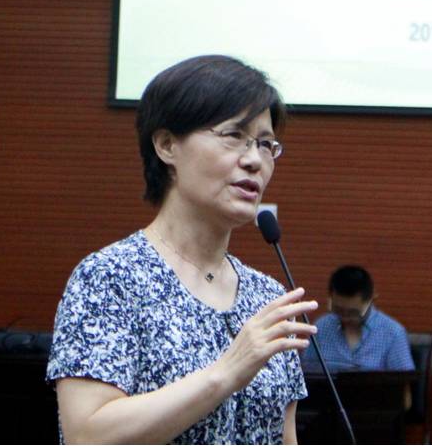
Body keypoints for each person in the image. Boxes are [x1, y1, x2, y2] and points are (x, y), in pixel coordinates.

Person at [46, 55, 317, 444]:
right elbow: (87, 436)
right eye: (234, 135)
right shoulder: (110, 278)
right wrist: (226, 372)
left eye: (265, 144)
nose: (254, 160)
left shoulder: (267, 297)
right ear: (167, 145)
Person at [301, 265, 414, 373]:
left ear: (371, 299)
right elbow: (306, 372)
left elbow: (404, 381)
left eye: (353, 312)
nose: (345, 318)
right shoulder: (321, 327)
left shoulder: (393, 333)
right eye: (338, 310)